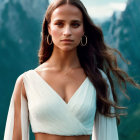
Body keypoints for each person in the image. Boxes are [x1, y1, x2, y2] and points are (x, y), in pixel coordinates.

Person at [3, 0, 140, 140]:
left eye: (75, 24)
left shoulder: (98, 79)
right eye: (59, 24)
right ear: (49, 28)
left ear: (83, 30)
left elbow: (108, 136)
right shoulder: (26, 82)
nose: (67, 32)